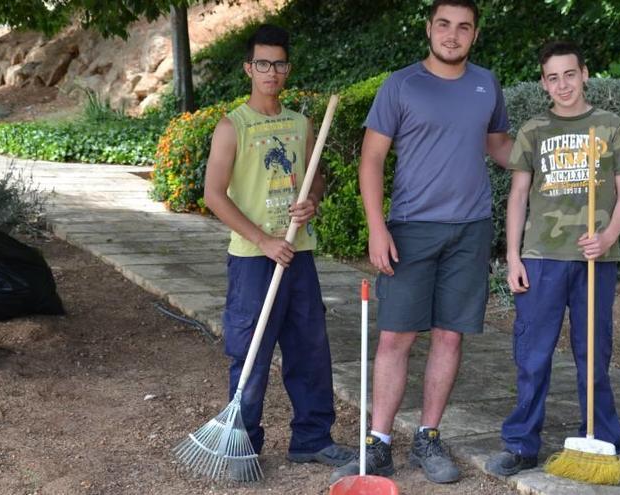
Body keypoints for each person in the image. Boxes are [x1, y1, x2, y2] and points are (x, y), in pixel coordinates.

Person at [330, 0, 513, 485]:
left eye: (464, 28)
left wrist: (550, 152)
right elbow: (371, 160)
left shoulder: (486, 84)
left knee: (450, 334)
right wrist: (376, 226)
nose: (453, 35)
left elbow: (499, 146)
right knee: (397, 336)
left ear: (474, 34)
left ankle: (428, 437)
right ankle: (380, 443)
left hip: (471, 228)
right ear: (430, 29)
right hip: (411, 228)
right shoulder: (402, 85)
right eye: (444, 25)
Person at [483, 40, 620, 487]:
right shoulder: (535, 129)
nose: (562, 84)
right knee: (532, 357)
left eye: (569, 74)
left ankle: (605, 445)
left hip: (595, 259)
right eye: (552, 77)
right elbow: (517, 196)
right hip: (541, 259)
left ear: (585, 74)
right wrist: (512, 256)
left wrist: (608, 236)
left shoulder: (610, 126)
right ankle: (520, 445)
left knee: (594, 356)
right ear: (543, 82)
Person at [203, 24, 352, 468]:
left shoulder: (301, 123)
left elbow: (315, 178)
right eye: (263, 63)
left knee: (309, 346)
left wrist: (311, 201)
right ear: (250, 68)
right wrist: (263, 240)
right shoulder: (233, 126)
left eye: (279, 64)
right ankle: (242, 445)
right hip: (253, 259)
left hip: (298, 252)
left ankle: (312, 438)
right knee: (250, 352)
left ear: (287, 70)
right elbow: (213, 195)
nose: (271, 72)